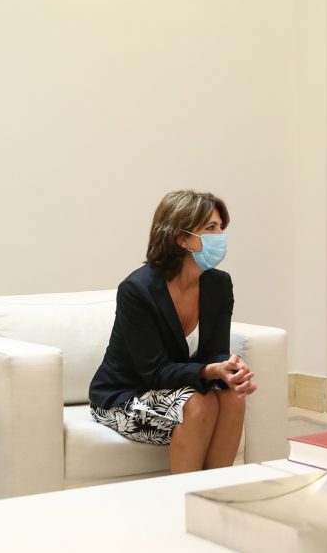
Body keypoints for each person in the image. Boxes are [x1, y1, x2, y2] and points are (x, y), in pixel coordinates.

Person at [89, 190, 257, 473]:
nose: (221, 236)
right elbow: (153, 371)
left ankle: (216, 499)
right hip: (126, 393)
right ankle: (184, 503)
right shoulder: (137, 290)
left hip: (178, 387)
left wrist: (228, 368)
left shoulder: (219, 285)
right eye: (210, 228)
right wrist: (208, 372)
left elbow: (213, 351)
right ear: (181, 239)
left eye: (221, 228)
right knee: (198, 403)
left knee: (232, 397)